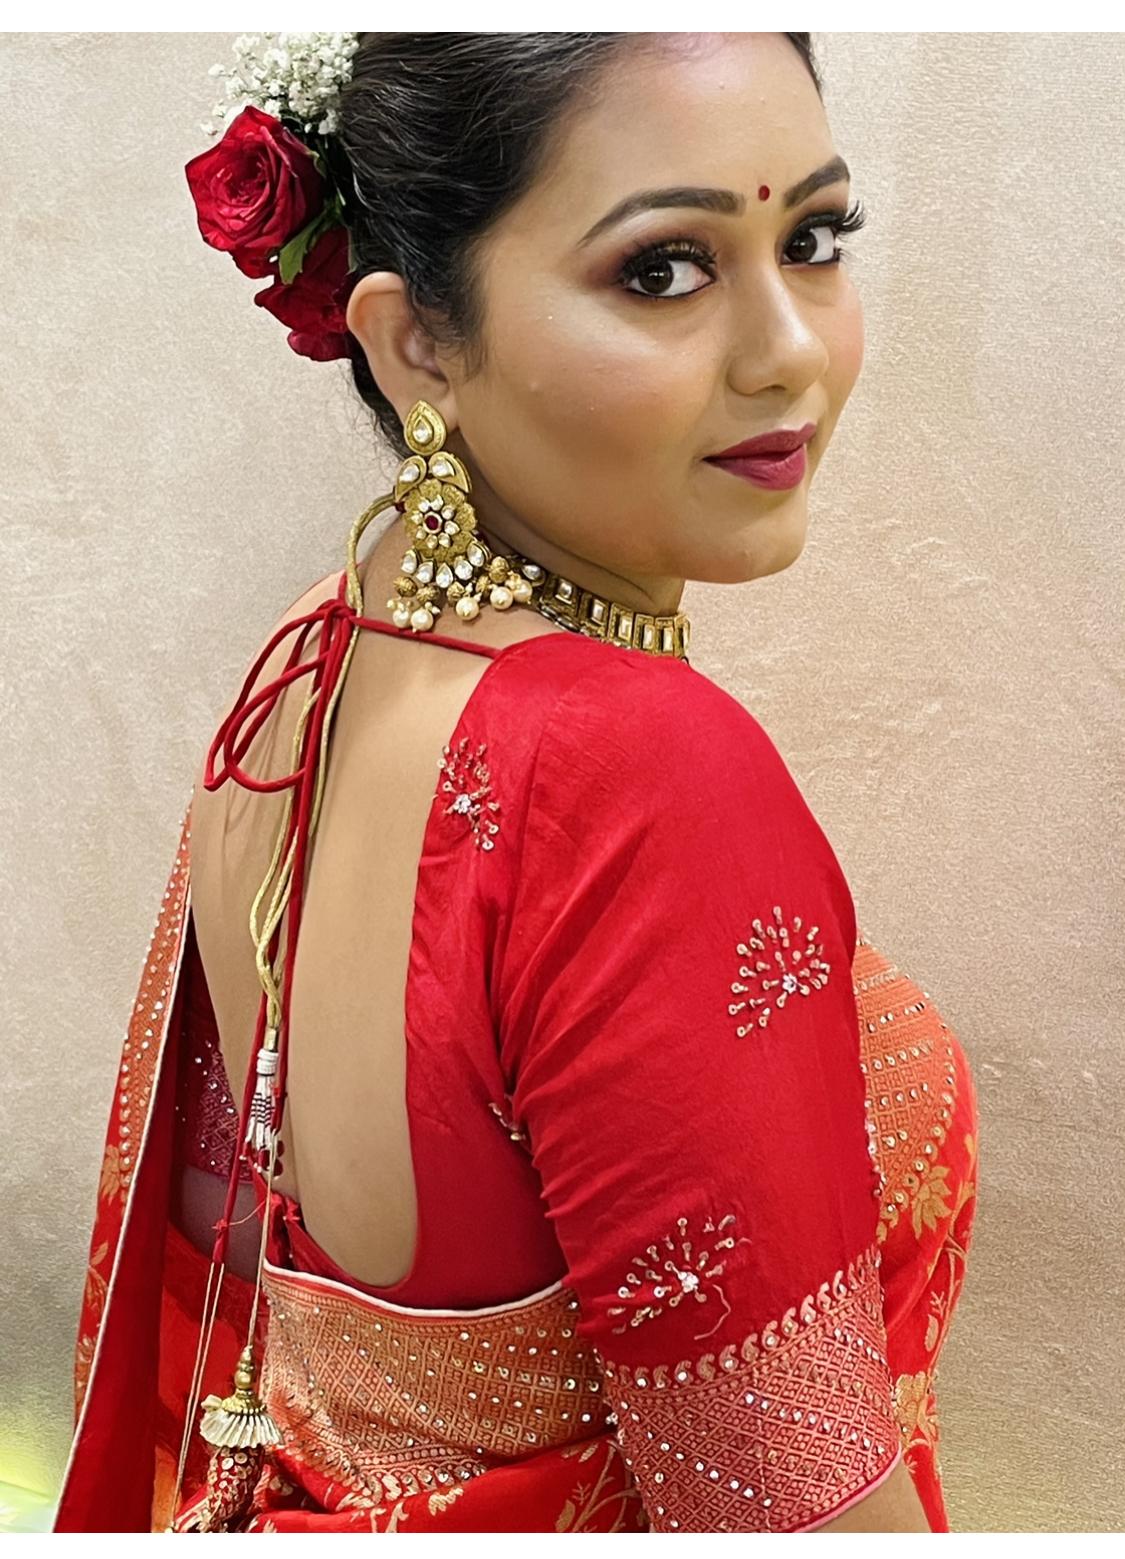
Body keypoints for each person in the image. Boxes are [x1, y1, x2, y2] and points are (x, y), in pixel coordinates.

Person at [53, 32, 979, 1533]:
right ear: (417, 342)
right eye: (664, 269)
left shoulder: (319, 650)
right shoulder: (641, 773)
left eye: (813, 239)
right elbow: (792, 1516)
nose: (789, 352)